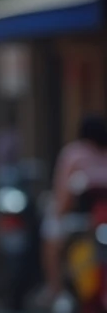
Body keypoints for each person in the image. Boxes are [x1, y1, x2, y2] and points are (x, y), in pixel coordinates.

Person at [42, 114, 107, 297]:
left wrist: (59, 216)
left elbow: (64, 194)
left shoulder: (75, 153)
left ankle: (56, 290)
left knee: (52, 242)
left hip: (82, 219)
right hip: (95, 221)